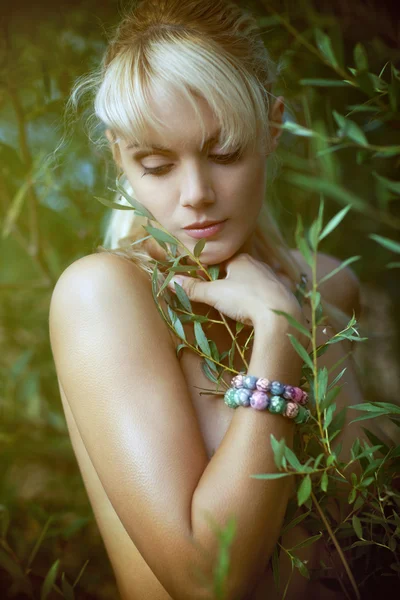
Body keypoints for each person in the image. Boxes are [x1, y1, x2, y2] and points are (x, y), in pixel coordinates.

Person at [48, 1, 399, 598]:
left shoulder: (331, 284)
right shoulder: (105, 296)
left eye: (225, 152)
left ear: (272, 129)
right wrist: (280, 332)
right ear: (119, 158)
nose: (196, 195)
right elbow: (207, 581)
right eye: (155, 164)